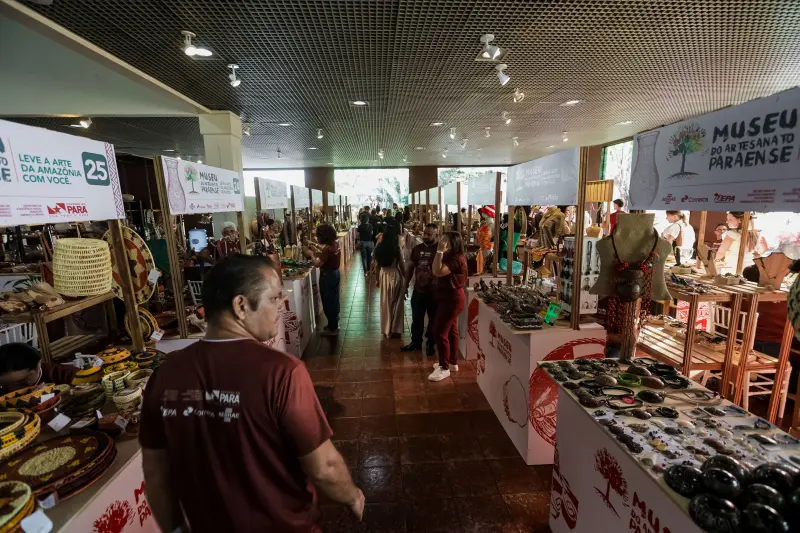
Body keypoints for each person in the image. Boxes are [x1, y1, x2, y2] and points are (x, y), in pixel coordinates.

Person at [140, 255, 364, 533]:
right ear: (241, 305)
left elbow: (156, 472)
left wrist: (175, 529)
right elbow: (324, 467)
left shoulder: (165, 375)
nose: (282, 305)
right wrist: (352, 496)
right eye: (274, 297)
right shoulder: (281, 372)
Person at [429, 231, 468, 382]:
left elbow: (436, 271)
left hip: (452, 299)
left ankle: (444, 368)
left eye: (444, 240)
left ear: (452, 243)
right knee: (452, 330)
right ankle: (451, 362)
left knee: (439, 331)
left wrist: (439, 251)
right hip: (449, 297)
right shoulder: (452, 256)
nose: (441, 241)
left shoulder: (456, 259)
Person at [402, 224, 439, 355]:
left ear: (436, 235)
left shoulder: (440, 250)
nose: (425, 236)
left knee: (433, 319)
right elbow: (410, 267)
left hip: (434, 292)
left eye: (429, 234)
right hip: (419, 290)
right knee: (417, 319)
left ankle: (431, 344)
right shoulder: (417, 249)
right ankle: (416, 342)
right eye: (425, 233)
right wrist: (405, 284)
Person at [0, 343, 78, 393]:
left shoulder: (68, 375)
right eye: (5, 385)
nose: (14, 389)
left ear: (38, 365)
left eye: (22, 382)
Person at [306, 224, 341, 335]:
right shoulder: (335, 244)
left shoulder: (327, 249)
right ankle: (333, 324)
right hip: (336, 274)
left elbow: (317, 264)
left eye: (318, 236)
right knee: (334, 300)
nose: (317, 238)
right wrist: (314, 244)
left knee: (328, 301)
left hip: (328, 277)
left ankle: (332, 328)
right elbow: (325, 249)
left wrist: (311, 255)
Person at [374, 223, 405, 338]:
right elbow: (402, 266)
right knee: (397, 303)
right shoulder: (396, 249)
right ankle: (396, 329)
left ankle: (387, 330)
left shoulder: (379, 249)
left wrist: (377, 280)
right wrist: (405, 279)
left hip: (383, 275)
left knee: (385, 303)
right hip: (395, 274)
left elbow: (377, 267)